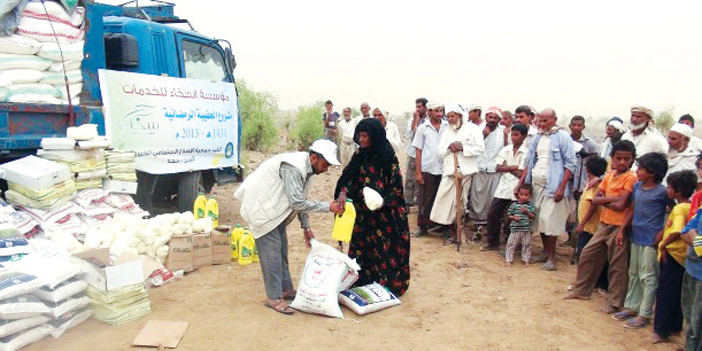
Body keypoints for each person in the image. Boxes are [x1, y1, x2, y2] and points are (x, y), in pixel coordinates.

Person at [234, 139, 344, 314]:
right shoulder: (293, 167)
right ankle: (273, 297)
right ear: (314, 157)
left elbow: (301, 198)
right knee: (272, 255)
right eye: (326, 164)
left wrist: (306, 227)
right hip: (263, 208)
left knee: (281, 251)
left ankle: (285, 289)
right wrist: (328, 207)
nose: (326, 169)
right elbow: (297, 203)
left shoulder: (308, 170)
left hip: (275, 210)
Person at [334, 118, 410, 296]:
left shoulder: (388, 157)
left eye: (365, 135)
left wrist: (382, 202)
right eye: (359, 135)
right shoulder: (359, 155)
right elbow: (348, 179)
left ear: (374, 136)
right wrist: (344, 192)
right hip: (364, 215)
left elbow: (397, 188)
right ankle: (362, 280)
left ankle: (389, 285)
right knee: (363, 248)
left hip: (386, 215)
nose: (361, 139)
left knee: (387, 250)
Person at [564, 140, 637, 314]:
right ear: (612, 158)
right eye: (618, 158)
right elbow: (598, 199)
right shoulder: (610, 176)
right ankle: (582, 290)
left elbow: (620, 204)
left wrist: (605, 201)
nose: (622, 162)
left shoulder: (631, 178)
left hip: (620, 226)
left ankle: (615, 302)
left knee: (618, 265)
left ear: (632, 160)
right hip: (605, 223)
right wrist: (611, 200)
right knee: (589, 254)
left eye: (626, 159)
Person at [612, 152, 669, 329]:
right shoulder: (637, 187)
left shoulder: (663, 193)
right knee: (634, 273)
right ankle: (631, 306)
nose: (637, 171)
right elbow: (632, 209)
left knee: (648, 277)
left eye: (641, 168)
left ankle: (644, 314)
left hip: (650, 239)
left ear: (652, 172)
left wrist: (663, 232)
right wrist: (622, 229)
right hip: (636, 235)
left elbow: (675, 213)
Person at [517, 108, 576, 271]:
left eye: (545, 121)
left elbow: (570, 164)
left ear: (554, 120)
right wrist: (521, 183)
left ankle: (551, 258)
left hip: (553, 187)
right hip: (535, 185)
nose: (542, 124)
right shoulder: (537, 137)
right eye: (540, 120)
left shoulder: (563, 137)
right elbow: (529, 162)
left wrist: (561, 187)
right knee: (540, 221)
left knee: (550, 222)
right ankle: (545, 252)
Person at [430, 104, 485, 244]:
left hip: (465, 172)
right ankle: (452, 234)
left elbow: (480, 148)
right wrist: (450, 147)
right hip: (450, 171)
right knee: (446, 204)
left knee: (460, 204)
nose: (450, 119)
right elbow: (440, 151)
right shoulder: (447, 131)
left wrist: (462, 147)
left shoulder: (473, 129)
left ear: (460, 116)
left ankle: (459, 235)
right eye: (447, 117)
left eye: (452, 116)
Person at [653, 170, 697, 343]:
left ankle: (660, 329)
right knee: (678, 294)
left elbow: (678, 230)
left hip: (672, 255)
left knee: (664, 293)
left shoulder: (679, 208)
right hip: (683, 257)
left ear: (676, 191)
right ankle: (674, 328)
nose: (667, 191)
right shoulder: (691, 206)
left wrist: (663, 244)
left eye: (670, 187)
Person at [481, 123, 528, 251]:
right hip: (503, 186)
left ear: (524, 136)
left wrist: (507, 167)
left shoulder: (526, 152)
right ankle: (492, 242)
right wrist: (513, 167)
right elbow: (497, 167)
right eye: (512, 134)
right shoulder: (506, 149)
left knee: (513, 217)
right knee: (492, 214)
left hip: (517, 188)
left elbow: (522, 173)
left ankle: (511, 244)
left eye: (516, 135)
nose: (513, 137)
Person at [573, 156, 609, 290]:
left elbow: (592, 207)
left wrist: (582, 223)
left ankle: (585, 282)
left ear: (587, 169)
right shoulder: (594, 183)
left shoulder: (595, 186)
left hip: (590, 227)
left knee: (584, 254)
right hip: (591, 226)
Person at [468, 106, 505, 240]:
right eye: (490, 117)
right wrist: (484, 134)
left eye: (495, 118)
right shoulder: (477, 130)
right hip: (479, 169)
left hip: (495, 170)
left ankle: (489, 228)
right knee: (477, 199)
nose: (492, 120)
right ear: (486, 117)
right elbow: (471, 146)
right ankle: (478, 227)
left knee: (491, 200)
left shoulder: (503, 132)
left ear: (499, 120)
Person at [411, 102, 447, 236]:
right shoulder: (422, 128)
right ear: (429, 112)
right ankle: (423, 227)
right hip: (428, 168)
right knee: (425, 199)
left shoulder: (447, 126)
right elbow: (418, 151)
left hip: (443, 168)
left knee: (442, 198)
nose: (439, 114)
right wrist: (418, 172)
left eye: (441, 111)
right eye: (436, 111)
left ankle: (440, 225)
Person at [680, 196, 702, 351]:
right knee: (689, 316)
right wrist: (698, 241)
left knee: (697, 323)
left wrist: (694, 237)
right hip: (692, 268)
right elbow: (685, 231)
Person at [404, 98, 429, 207]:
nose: (418, 109)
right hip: (414, 153)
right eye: (416, 107)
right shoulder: (412, 120)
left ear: (425, 108)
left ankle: (418, 201)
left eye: (420, 107)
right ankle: (408, 201)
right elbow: (410, 135)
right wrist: (415, 120)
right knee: (410, 178)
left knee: (422, 178)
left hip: (426, 154)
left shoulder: (429, 121)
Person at [570, 115, 601, 199]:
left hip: (583, 184)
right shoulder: (566, 141)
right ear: (570, 126)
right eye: (574, 125)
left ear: (583, 127)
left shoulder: (590, 144)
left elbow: (598, 164)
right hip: (568, 184)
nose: (576, 128)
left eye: (579, 125)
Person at [504, 184, 536, 266]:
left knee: (527, 244)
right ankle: (508, 259)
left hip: (526, 229)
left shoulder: (531, 206)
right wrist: (514, 217)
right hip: (515, 228)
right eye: (521, 194)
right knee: (511, 244)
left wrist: (527, 212)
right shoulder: (514, 205)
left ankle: (526, 259)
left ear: (530, 195)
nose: (523, 197)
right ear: (518, 194)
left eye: (526, 195)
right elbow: (509, 215)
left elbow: (533, 216)